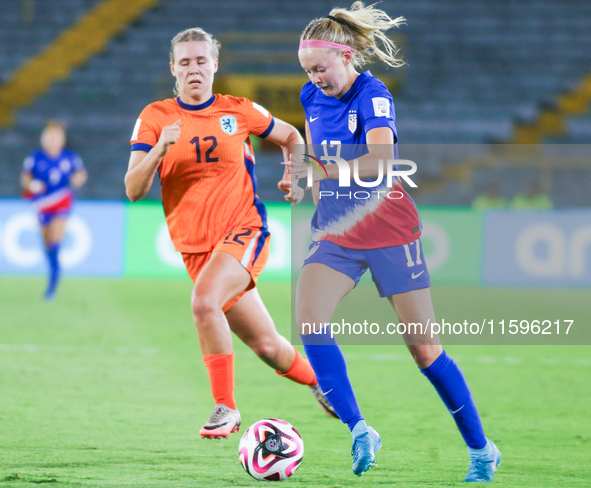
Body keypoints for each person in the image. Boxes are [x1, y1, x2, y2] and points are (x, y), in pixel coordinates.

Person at [287, 2, 501, 481]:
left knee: (424, 349)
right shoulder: (309, 95)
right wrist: (303, 179)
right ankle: (360, 428)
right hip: (336, 230)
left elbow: (382, 158)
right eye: (308, 71)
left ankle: (482, 450)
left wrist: (332, 170)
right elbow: (315, 155)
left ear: (346, 55)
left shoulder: (373, 93)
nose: (315, 78)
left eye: (321, 69)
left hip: (387, 227)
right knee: (310, 324)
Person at [124, 27, 335, 440]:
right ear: (173, 68)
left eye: (202, 61)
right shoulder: (155, 118)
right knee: (268, 347)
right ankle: (325, 386)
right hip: (196, 250)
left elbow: (291, 136)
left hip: (244, 230)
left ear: (215, 65)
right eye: (185, 62)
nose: (194, 69)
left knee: (204, 303)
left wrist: (296, 175)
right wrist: (158, 150)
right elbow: (133, 190)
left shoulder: (238, 110)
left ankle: (226, 407)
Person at [21, 120, 87, 300]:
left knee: (55, 240)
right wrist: (32, 184)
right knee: (47, 244)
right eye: (49, 137)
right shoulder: (35, 158)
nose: (52, 140)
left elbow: (81, 174)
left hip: (61, 201)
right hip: (42, 204)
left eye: (56, 137)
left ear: (62, 139)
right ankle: (53, 270)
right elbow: (25, 179)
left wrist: (77, 180)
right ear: (44, 139)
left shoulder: (70, 157)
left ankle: (52, 287)